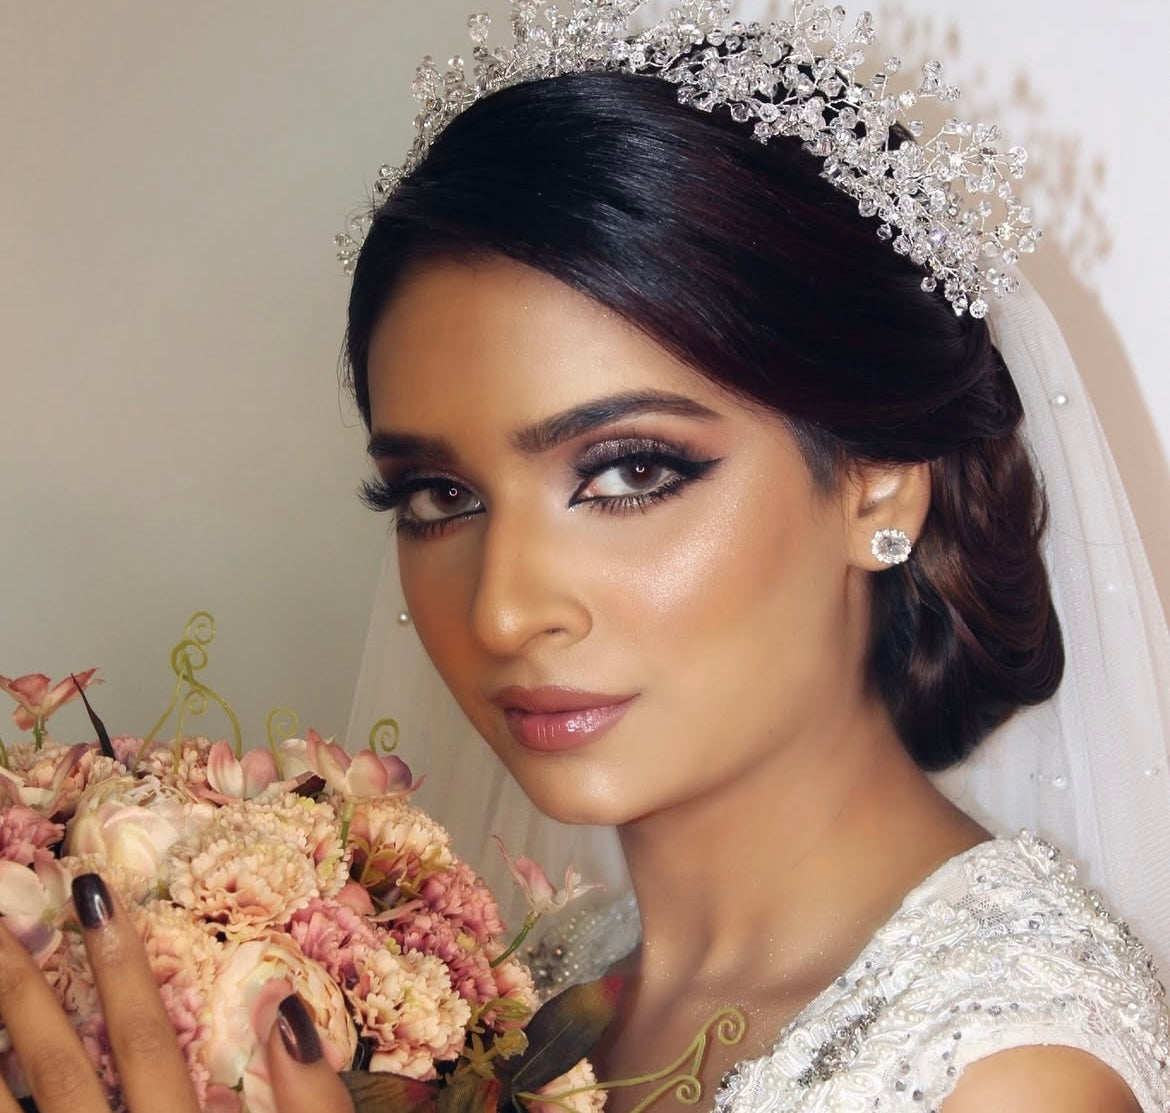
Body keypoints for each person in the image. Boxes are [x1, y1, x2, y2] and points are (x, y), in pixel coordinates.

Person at [3, 2, 1168, 1112]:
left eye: (628, 472)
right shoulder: (532, 987)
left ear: (879, 482)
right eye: (439, 495)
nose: (504, 611)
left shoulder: (1010, 1074)